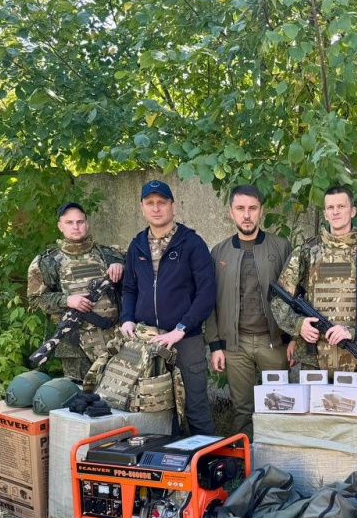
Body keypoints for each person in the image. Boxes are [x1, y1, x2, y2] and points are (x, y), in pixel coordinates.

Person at [119, 180, 217, 435]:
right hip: (148, 341)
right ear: (142, 208)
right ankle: (167, 466)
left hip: (185, 339)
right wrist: (127, 319)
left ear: (173, 206)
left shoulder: (192, 243)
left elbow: (207, 292)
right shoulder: (137, 245)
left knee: (195, 405)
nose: (156, 208)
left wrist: (181, 328)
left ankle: (206, 465)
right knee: (157, 408)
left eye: (162, 202)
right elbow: (129, 288)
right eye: (150, 203)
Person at [204, 185, 293, 440]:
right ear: (231, 212)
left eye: (252, 208)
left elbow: (296, 295)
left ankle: (279, 458)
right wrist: (215, 345)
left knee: (279, 406)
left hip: (273, 342)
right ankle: (247, 462)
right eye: (240, 208)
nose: (246, 215)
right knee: (242, 409)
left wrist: (293, 339)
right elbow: (210, 302)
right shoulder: (219, 252)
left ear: (261, 211)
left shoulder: (280, 247)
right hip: (235, 344)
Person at [271, 185, 357, 377]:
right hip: (314, 360)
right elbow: (278, 298)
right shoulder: (306, 252)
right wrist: (298, 324)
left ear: (353, 210)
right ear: (325, 213)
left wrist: (353, 332)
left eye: (341, 206)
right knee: (314, 409)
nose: (336, 212)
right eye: (331, 208)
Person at [26, 202, 124, 380]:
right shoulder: (47, 262)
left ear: (87, 224)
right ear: (60, 226)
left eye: (80, 222)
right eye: (69, 222)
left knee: (117, 398)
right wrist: (67, 300)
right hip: (74, 345)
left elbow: (137, 286)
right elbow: (35, 300)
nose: (76, 227)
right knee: (79, 399)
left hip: (115, 340)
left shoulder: (111, 254)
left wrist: (121, 267)